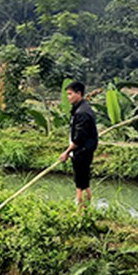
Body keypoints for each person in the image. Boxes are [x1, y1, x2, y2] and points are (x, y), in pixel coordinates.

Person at [58, 81, 98, 209]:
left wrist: (66, 152)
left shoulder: (82, 112)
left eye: (70, 94)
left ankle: (81, 211)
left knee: (80, 184)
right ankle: (86, 209)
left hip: (82, 151)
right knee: (84, 182)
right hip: (83, 150)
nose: (68, 97)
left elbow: (79, 138)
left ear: (79, 93)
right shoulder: (81, 108)